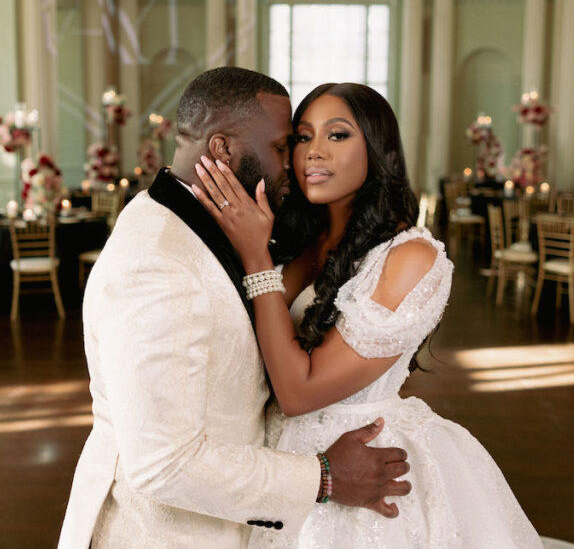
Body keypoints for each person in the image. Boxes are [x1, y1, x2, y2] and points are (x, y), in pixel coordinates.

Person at [58, 68, 412, 549]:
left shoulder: (207, 225)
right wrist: (323, 478)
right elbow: (163, 462)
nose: (296, 162)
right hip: (164, 534)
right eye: (285, 146)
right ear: (223, 150)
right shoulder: (158, 263)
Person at [193, 82, 543, 548]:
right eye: (302, 137)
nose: (313, 152)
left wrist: (256, 258)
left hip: (365, 467)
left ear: (377, 150)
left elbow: (300, 393)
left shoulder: (410, 258)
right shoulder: (303, 243)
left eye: (337, 135)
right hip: (283, 465)